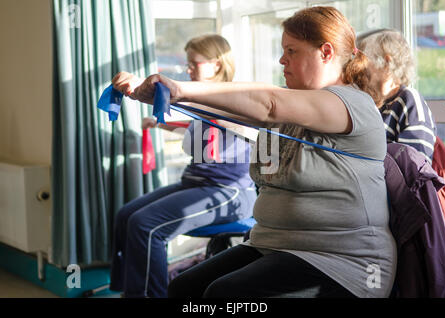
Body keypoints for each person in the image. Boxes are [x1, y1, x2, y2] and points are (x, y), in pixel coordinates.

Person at [113, 6, 397, 298]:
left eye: (292, 50)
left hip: (341, 262)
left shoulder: (351, 104)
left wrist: (179, 89)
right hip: (274, 245)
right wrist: (160, 96)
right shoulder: (296, 106)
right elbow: (224, 110)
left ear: (325, 52)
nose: (281, 59)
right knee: (184, 288)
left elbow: (269, 103)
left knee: (224, 296)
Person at [109, 34, 257, 298]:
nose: (188, 69)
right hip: (195, 182)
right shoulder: (202, 100)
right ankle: (131, 291)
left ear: (217, 65)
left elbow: (216, 115)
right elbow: (198, 124)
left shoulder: (235, 96)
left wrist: (152, 90)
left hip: (229, 191)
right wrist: (159, 123)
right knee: (125, 215)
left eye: (194, 63)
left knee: (145, 225)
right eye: (187, 63)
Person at [357, 29, 437, 162]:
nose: (359, 67)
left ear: (387, 63)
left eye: (364, 60)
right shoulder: (370, 101)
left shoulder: (410, 101)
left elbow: (415, 169)